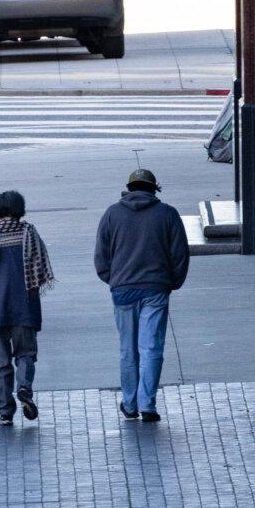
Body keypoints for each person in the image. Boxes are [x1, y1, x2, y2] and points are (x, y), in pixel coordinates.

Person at [93, 168, 188, 422]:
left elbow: (101, 256)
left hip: (123, 290)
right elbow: (180, 254)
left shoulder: (112, 214)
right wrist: (172, 282)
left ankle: (129, 403)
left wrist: (113, 279)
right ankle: (147, 404)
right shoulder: (168, 214)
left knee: (128, 349)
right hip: (156, 288)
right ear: (154, 189)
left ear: (129, 189)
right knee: (151, 348)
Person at [0, 191, 54, 426]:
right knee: (26, 354)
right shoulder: (30, 234)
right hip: (25, 308)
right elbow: (40, 271)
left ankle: (5, 412)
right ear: (20, 209)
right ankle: (24, 387)